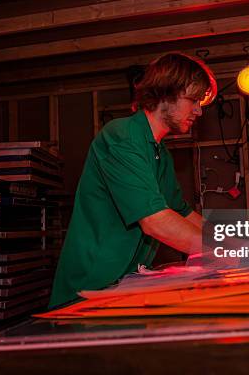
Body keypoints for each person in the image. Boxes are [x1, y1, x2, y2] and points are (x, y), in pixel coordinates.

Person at [48, 52, 217, 309]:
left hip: (123, 287)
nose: (199, 110)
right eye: (193, 99)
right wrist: (227, 255)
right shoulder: (122, 136)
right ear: (165, 94)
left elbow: (181, 213)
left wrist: (239, 241)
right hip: (89, 292)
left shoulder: (160, 153)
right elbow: (155, 221)